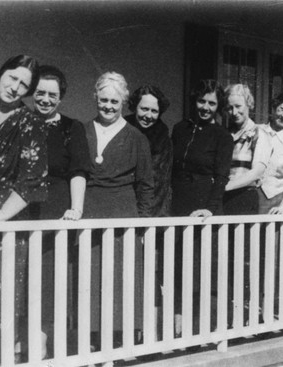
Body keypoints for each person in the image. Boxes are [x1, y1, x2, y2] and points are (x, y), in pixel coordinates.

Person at [83, 71, 154, 346]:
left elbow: (146, 184)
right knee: (91, 276)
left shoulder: (136, 137)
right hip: (89, 211)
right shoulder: (83, 131)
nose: (109, 106)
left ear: (124, 102)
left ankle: (119, 343)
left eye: (115, 101)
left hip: (123, 213)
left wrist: (142, 224)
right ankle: (90, 342)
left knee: (119, 278)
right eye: (103, 100)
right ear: (95, 98)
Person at [31, 65, 91, 358]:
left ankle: (42, 342)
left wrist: (75, 208)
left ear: (61, 97)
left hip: (54, 209)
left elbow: (79, 170)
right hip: (19, 210)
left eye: (52, 94)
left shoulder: (71, 127)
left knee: (47, 277)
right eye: (40, 92)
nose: (45, 99)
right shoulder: (20, 121)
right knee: (20, 274)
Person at [0, 55, 45, 362]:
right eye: (12, 77)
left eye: (24, 85)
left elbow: (32, 180)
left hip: (3, 223)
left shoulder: (29, 122)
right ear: (1, 73)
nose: (15, 87)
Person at [171, 79, 233, 217]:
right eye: (201, 101)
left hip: (204, 207)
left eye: (212, 103)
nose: (205, 107)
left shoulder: (223, 136)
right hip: (177, 203)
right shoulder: (180, 128)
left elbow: (221, 177)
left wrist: (209, 209)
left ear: (218, 106)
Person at [223, 84, 271, 215]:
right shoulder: (225, 134)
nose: (234, 112)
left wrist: (225, 187)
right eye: (229, 108)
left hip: (244, 198)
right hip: (222, 199)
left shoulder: (259, 133)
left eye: (238, 106)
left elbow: (256, 173)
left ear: (249, 104)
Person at [126, 85, 172, 217]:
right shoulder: (123, 129)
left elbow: (160, 182)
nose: (148, 115)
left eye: (154, 111)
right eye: (144, 109)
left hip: (152, 208)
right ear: (135, 107)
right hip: (124, 204)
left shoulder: (163, 139)